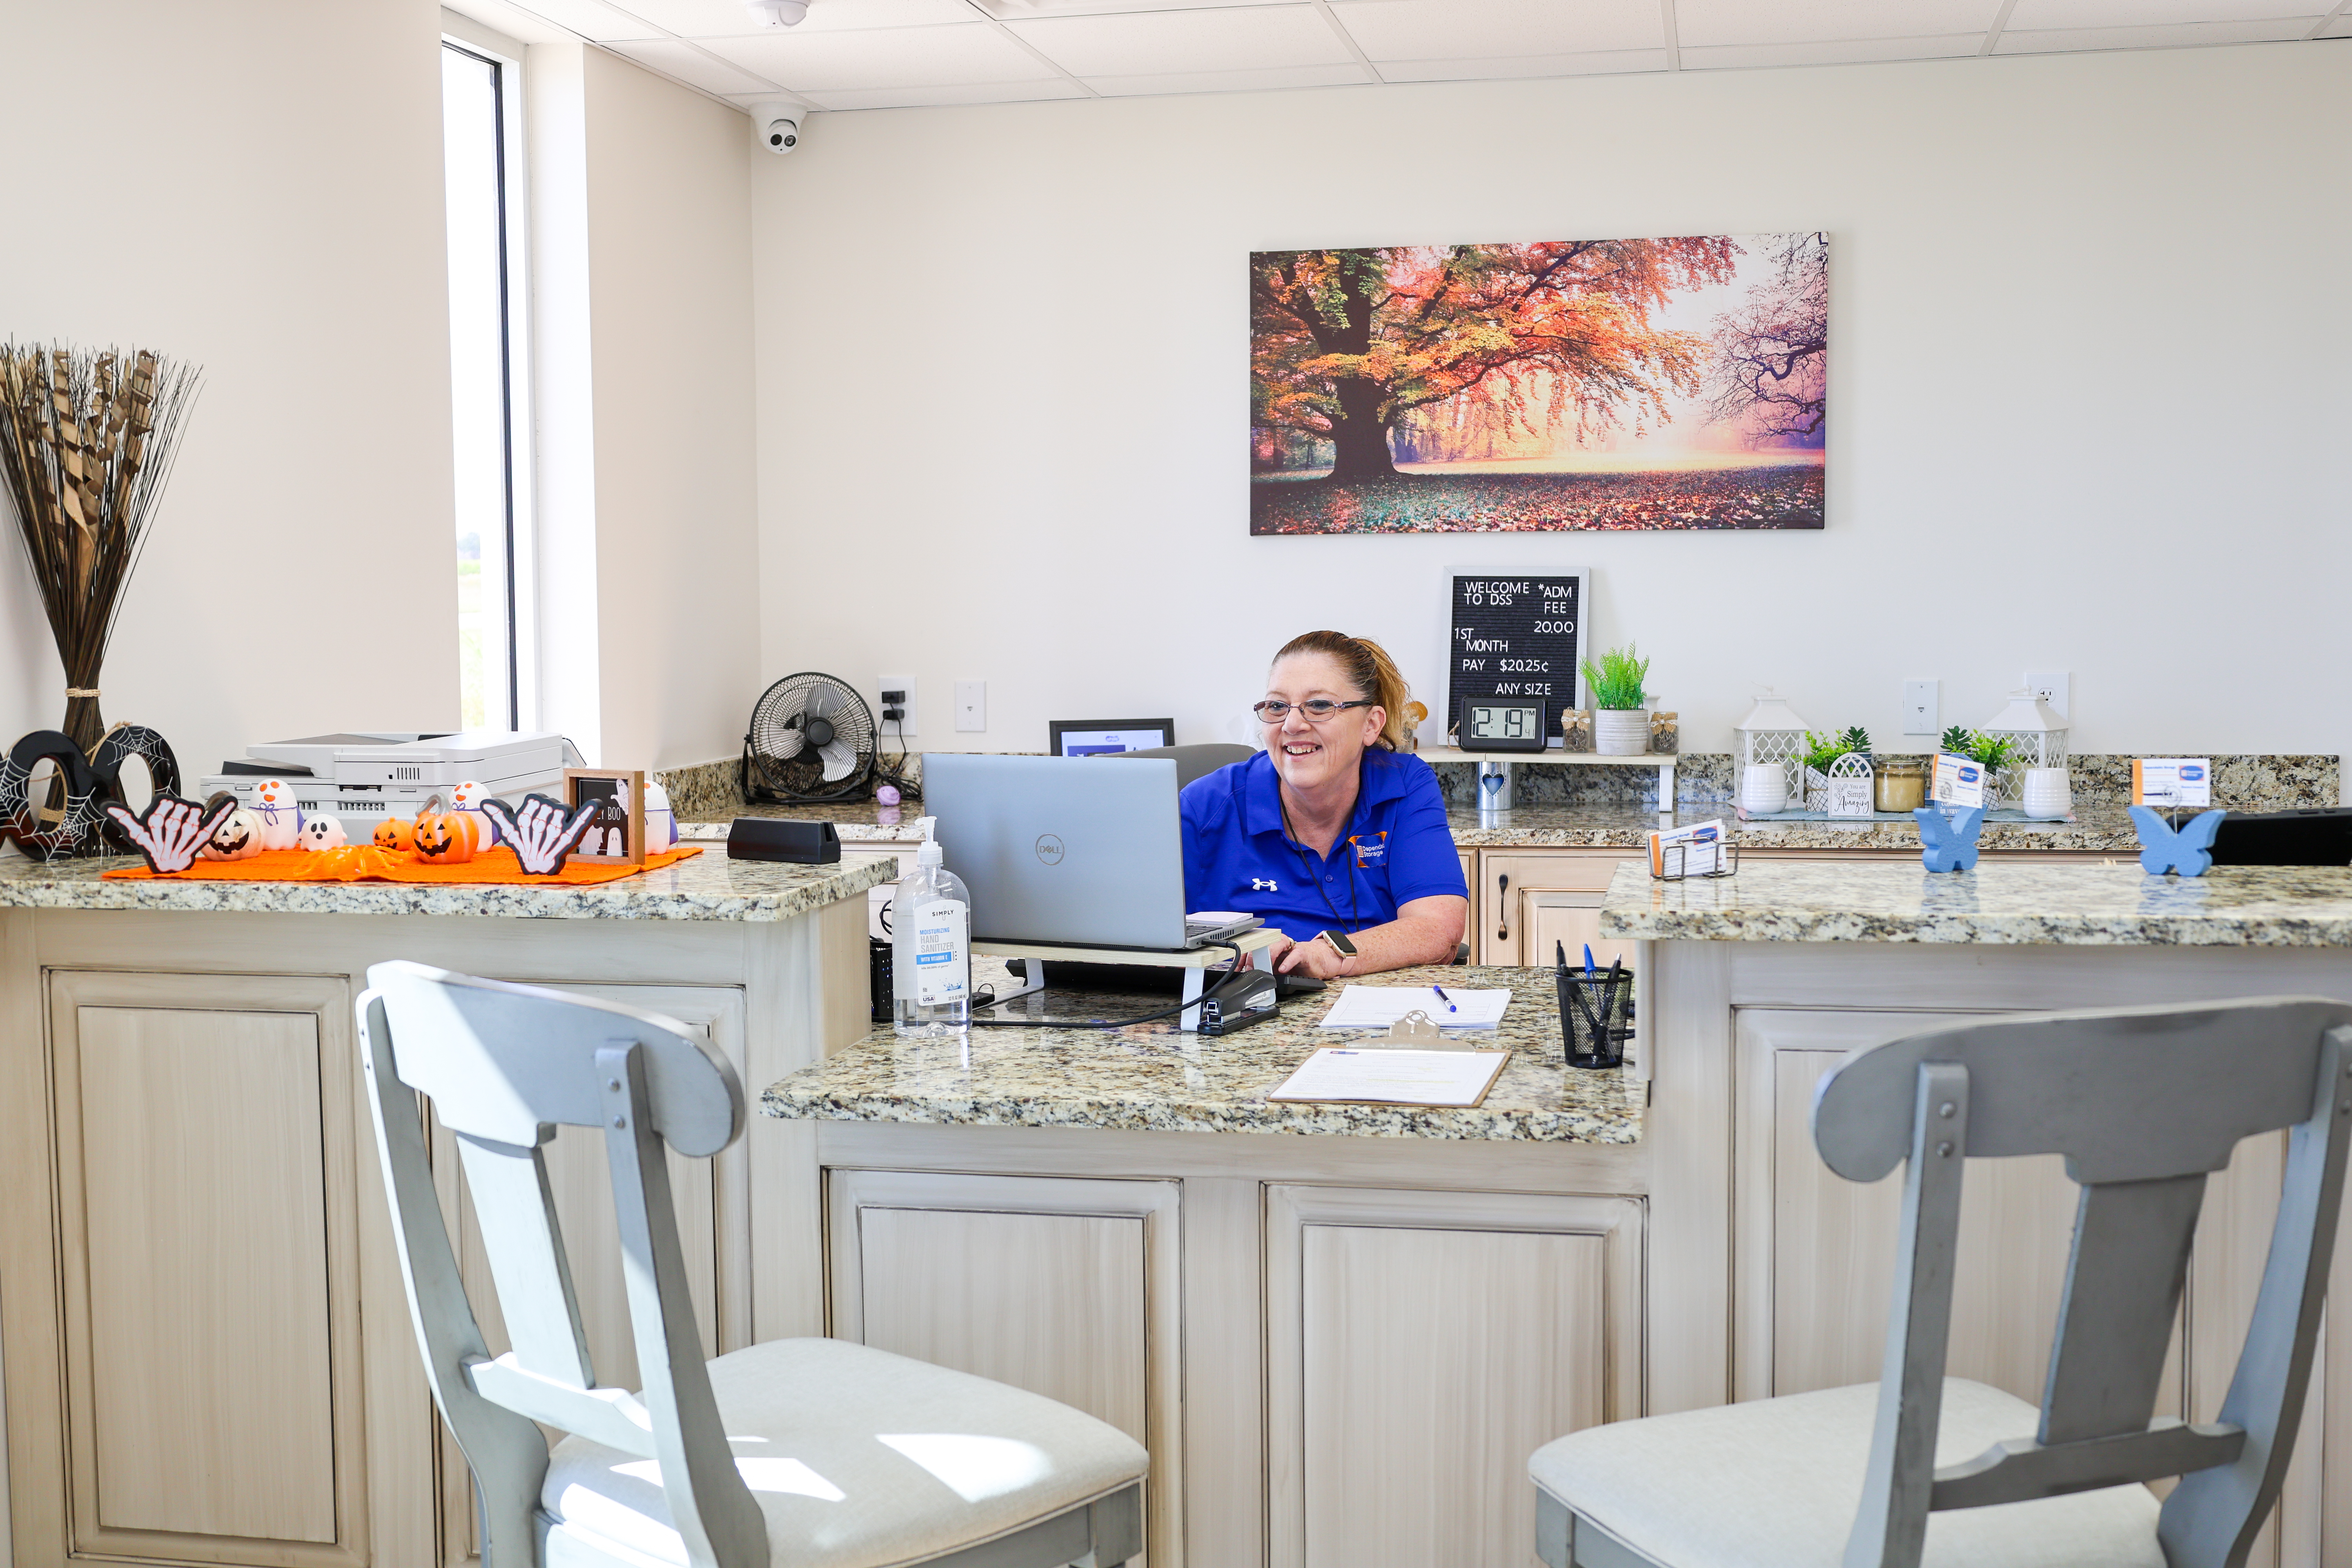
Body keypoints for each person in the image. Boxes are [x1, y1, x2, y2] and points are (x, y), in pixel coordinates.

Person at [1180, 630, 1468, 978]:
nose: (1292, 724)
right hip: (1243, 1012)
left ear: (1371, 725)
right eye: (1276, 706)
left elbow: (1438, 929)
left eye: (1319, 706)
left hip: (1372, 1011)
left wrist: (1323, 955)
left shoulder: (1405, 785)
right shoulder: (1204, 807)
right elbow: (1137, 938)